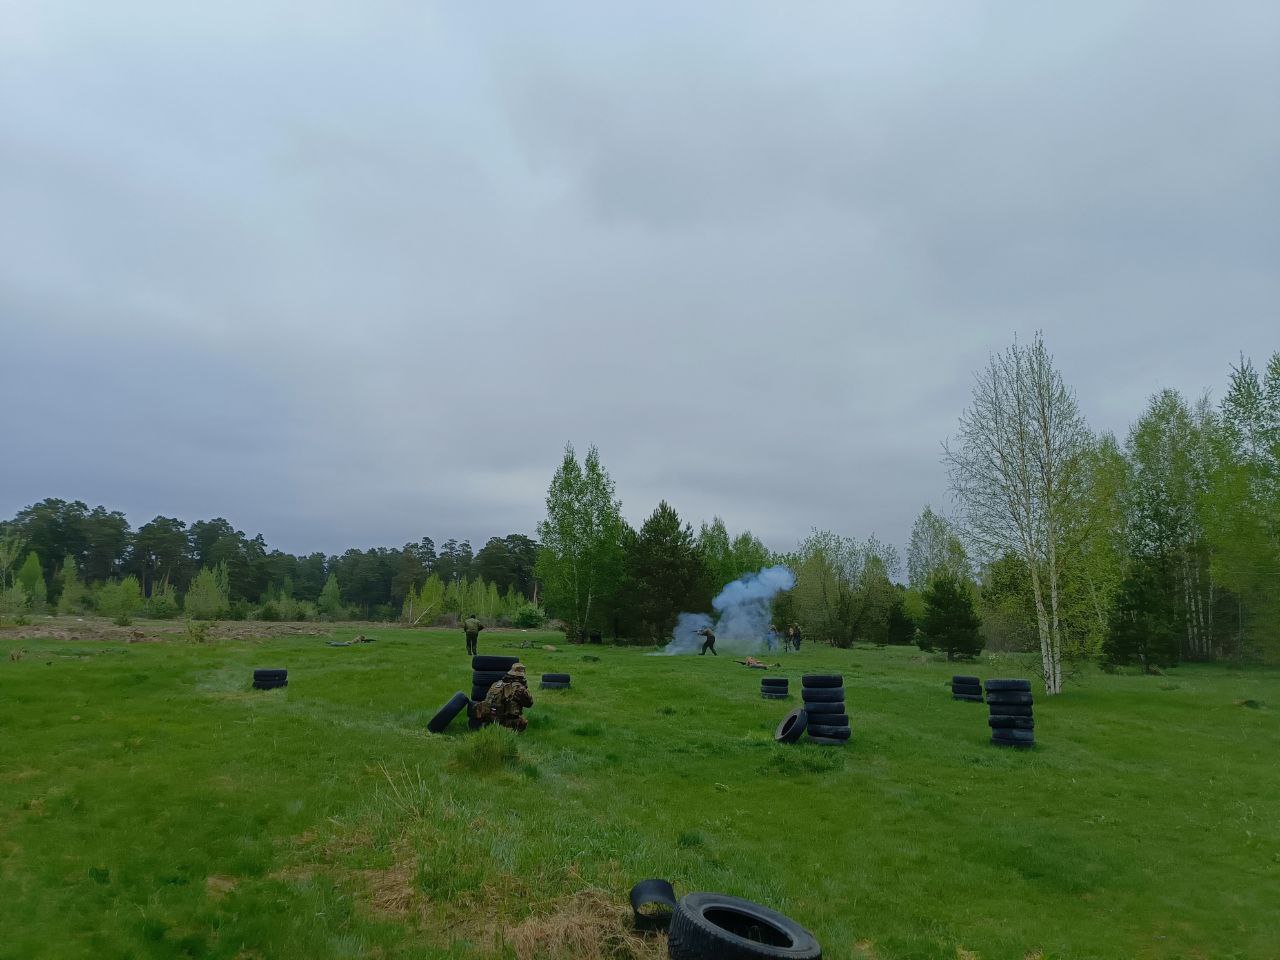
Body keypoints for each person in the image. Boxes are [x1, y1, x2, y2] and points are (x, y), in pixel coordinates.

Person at [477, 662, 534, 732]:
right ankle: (511, 732)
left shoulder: (497, 684)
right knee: (523, 722)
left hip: (488, 719)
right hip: (505, 721)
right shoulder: (518, 688)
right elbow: (529, 704)